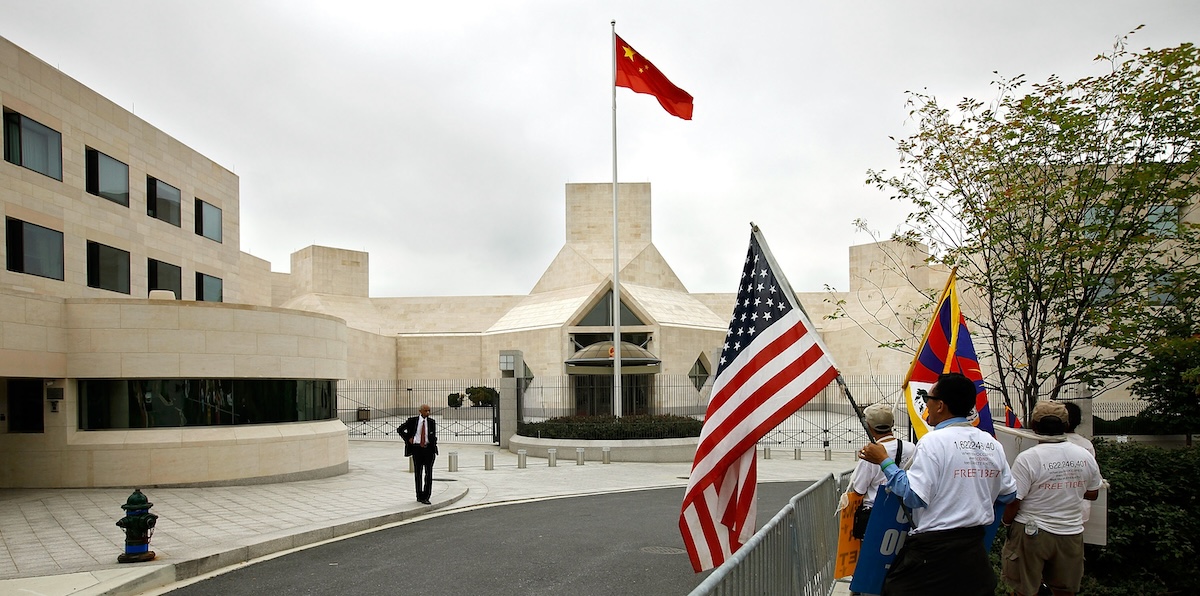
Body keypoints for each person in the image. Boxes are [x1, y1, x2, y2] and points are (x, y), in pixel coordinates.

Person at [860, 372, 1017, 596]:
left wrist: (884, 461)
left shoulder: (933, 442)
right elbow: (1008, 494)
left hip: (933, 552)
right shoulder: (991, 443)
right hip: (974, 551)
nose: (926, 407)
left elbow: (914, 495)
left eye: (927, 400)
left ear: (940, 405)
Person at [1001, 401, 1102, 596]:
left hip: (1031, 532)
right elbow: (1094, 492)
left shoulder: (1028, 458)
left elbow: (1015, 499)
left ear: (1035, 426)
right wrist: (1068, 487)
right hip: (1071, 532)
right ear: (1066, 426)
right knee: (1064, 590)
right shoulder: (1084, 455)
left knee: (1023, 589)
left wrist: (1006, 522)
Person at [850, 403, 916, 532]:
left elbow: (859, 489)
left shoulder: (870, 454)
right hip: (904, 512)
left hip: (875, 512)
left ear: (869, 426)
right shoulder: (911, 448)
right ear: (892, 424)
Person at [398, 404, 438, 504]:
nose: (428, 413)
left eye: (429, 411)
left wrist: (433, 443)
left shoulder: (431, 422)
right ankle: (419, 495)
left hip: (429, 450)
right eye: (426, 411)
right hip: (417, 449)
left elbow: (432, 435)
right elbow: (400, 429)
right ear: (420, 411)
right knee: (418, 473)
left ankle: (426, 496)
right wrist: (408, 438)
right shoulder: (412, 421)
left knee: (428, 474)